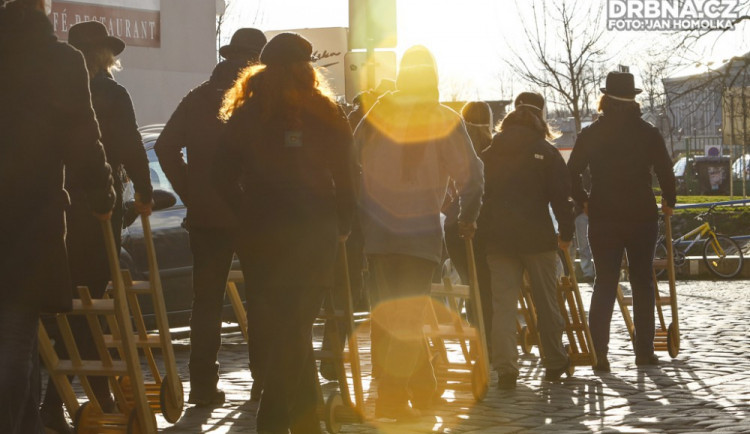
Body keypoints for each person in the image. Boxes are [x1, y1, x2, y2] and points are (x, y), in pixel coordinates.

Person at [213, 32, 355, 433]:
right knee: (295, 324)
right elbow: (347, 175)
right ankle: (297, 417)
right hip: (315, 231)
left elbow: (218, 175)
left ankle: (277, 417)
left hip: (262, 232)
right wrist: (343, 221)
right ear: (305, 68)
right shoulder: (326, 112)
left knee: (281, 325)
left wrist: (244, 211)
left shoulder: (247, 113)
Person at [0, 1, 115, 432]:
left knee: (24, 343)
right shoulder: (59, 61)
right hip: (30, 216)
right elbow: (83, 137)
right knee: (15, 335)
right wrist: (102, 194)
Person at [37, 20, 154, 433]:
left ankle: (81, 393)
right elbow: (127, 142)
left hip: (54, 204)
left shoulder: (46, 90)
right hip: (97, 208)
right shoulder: (109, 93)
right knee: (90, 302)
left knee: (60, 304)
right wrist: (144, 189)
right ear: (106, 55)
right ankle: (68, 398)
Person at [355, 45, 484, 419]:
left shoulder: (377, 115)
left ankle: (423, 389)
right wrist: (467, 215)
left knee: (390, 316)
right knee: (407, 318)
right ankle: (393, 398)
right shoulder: (442, 119)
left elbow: (351, 161)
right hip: (419, 235)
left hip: (378, 234)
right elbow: (472, 177)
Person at [155, 27, 267, 407]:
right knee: (262, 298)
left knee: (205, 302)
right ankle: (263, 380)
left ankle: (203, 386)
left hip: (206, 217)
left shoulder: (198, 98)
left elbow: (165, 146)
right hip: (254, 214)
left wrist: (191, 192)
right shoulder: (261, 99)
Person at [567, 72, 676, 371]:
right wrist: (669, 199)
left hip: (603, 215)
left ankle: (599, 354)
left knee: (604, 282)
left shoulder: (591, 133)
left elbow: (571, 172)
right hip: (641, 214)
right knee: (642, 283)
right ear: (633, 100)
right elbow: (666, 171)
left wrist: (583, 198)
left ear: (605, 99)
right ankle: (644, 352)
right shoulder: (648, 133)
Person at [477, 92, 574, 389]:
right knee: (546, 301)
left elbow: (480, 194)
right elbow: (561, 196)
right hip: (537, 237)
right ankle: (555, 361)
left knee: (503, 306)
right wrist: (566, 233)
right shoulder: (544, 150)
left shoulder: (490, 152)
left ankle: (506, 368)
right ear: (539, 120)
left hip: (499, 240)